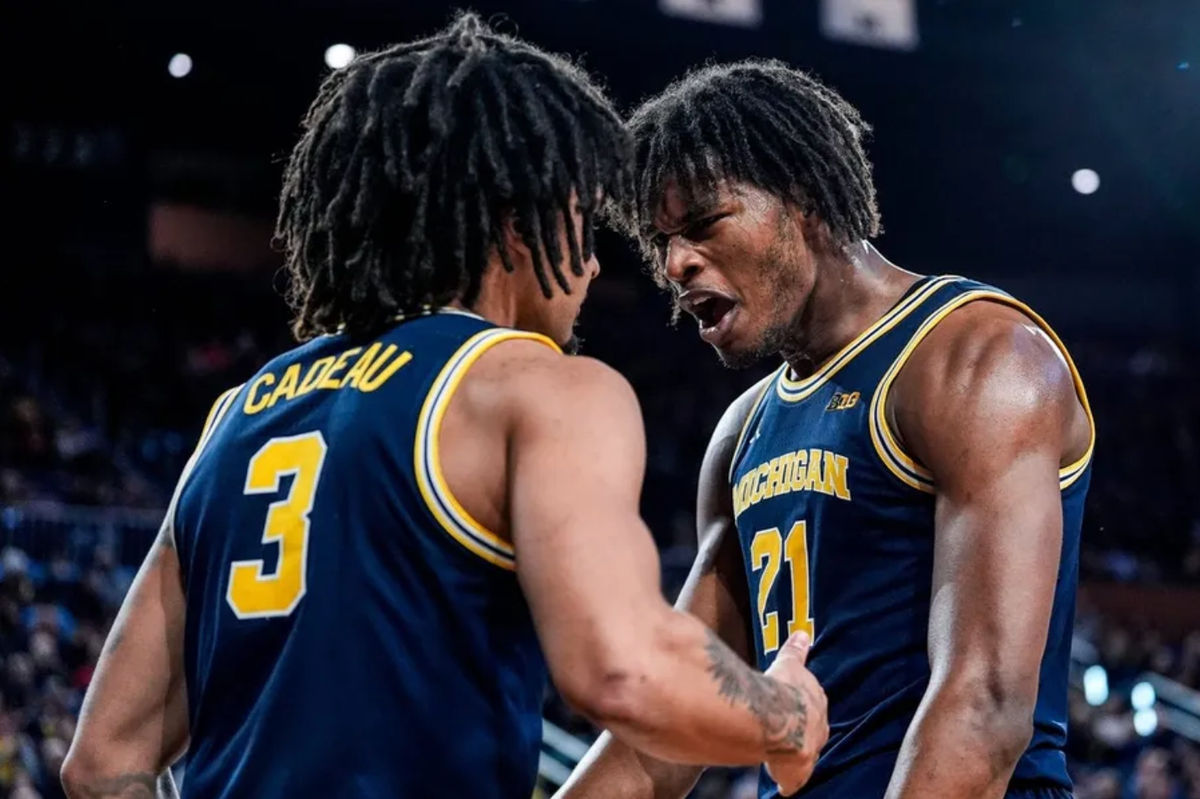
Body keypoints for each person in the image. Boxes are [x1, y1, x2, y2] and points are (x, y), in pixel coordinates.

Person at [60, 18, 829, 799]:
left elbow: (101, 761)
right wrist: (788, 716)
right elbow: (622, 666)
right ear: (515, 220)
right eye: (579, 222)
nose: (594, 263)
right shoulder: (536, 385)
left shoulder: (236, 416)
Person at [559, 60, 1093, 799]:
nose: (677, 262)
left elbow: (985, 710)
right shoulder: (742, 432)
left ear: (803, 196)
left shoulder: (975, 358)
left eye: (704, 224)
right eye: (661, 243)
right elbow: (673, 728)